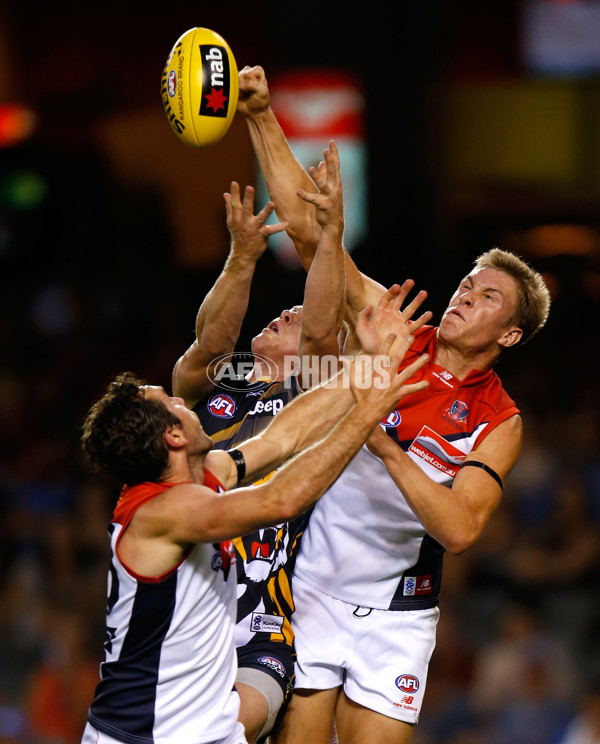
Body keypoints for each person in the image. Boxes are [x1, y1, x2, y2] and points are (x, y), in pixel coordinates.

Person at [237, 65, 552, 744]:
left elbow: (460, 530)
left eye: (488, 297)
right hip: (314, 586)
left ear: (510, 334)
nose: (467, 295)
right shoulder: (395, 331)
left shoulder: (501, 420)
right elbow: (313, 238)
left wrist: (378, 438)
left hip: (399, 615)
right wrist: (261, 115)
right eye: (469, 283)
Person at [78, 303, 430, 744]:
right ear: (174, 436)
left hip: (203, 730)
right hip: (138, 735)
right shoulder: (165, 513)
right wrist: (362, 418)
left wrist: (371, 367)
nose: (182, 399)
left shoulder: (205, 476)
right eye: (172, 403)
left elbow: (284, 436)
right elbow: (281, 499)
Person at [171, 142, 357, 742]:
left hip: (262, 618)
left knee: (228, 729)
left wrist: (329, 236)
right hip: (184, 596)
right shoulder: (222, 385)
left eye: (297, 313)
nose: (286, 312)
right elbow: (205, 349)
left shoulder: (314, 393)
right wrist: (242, 258)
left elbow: (323, 332)